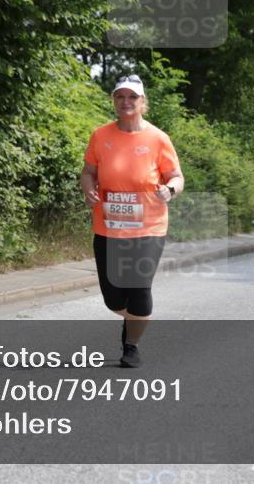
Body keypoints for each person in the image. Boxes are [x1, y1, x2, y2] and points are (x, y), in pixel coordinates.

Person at [80, 75, 183, 368]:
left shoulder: (158, 138)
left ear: (142, 103)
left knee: (139, 289)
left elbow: (177, 176)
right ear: (114, 101)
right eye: (120, 96)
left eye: (132, 97)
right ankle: (136, 319)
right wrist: (88, 187)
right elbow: (89, 171)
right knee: (113, 299)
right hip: (108, 226)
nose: (126, 102)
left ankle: (131, 345)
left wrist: (170, 189)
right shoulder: (100, 135)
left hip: (148, 227)